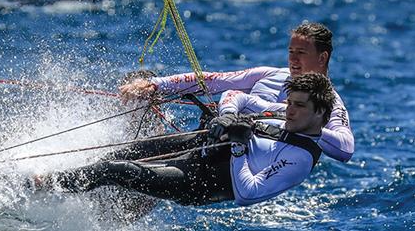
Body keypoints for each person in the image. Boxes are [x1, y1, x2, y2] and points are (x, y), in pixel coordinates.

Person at [35, 73, 336, 207]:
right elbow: (238, 96)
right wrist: (227, 116)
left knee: (117, 170)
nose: (289, 111)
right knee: (125, 154)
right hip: (201, 145)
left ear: (320, 112)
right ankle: (76, 187)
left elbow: (248, 193)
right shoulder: (287, 112)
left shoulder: (299, 160)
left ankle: (40, 187)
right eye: (290, 103)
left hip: (198, 181)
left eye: (298, 106)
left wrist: (240, 145)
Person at [119, 22, 354, 163]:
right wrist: (155, 84)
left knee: (132, 170)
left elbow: (345, 149)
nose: (293, 59)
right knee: (140, 86)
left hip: (236, 163)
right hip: (209, 140)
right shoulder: (269, 74)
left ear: (322, 58)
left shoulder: (329, 101)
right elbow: (214, 81)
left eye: (301, 52)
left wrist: (300, 122)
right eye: (291, 51)